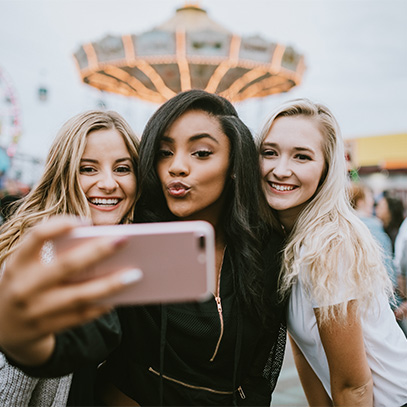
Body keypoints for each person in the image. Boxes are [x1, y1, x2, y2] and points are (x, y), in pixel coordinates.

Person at [0, 90, 286, 406]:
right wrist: (21, 338)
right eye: (164, 152)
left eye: (201, 152)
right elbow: (82, 336)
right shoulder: (119, 247)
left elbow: (263, 363)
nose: (177, 166)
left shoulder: (266, 250)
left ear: (236, 161)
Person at [257, 98, 407, 406]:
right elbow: (305, 350)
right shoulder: (289, 240)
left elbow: (354, 386)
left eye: (301, 157)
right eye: (269, 152)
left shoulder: (329, 243)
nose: (280, 169)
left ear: (326, 168)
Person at [0, 110, 141, 406]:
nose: (108, 183)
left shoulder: (111, 249)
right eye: (88, 169)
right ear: (63, 173)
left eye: (122, 169)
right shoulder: (42, 255)